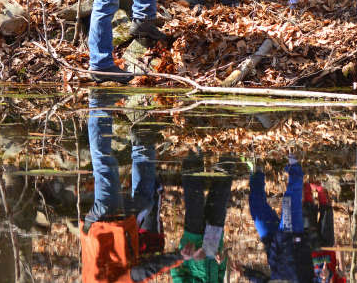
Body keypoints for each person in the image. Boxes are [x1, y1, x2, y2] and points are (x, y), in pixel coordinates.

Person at [81, 90, 193, 282]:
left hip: (106, 225)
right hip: (110, 227)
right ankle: (142, 139)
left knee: (105, 167)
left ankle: (98, 105)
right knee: (145, 201)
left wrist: (179, 257)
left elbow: (140, 273)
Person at [171, 151, 236, 283]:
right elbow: (220, 272)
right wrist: (221, 260)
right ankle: (227, 156)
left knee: (195, 198)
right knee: (220, 199)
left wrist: (190, 256)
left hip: (192, 241)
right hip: (213, 243)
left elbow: (176, 271)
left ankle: (193, 152)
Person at [247, 155, 314, 282]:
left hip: (273, 244)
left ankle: (257, 169)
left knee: (256, 208)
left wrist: (247, 273)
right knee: (289, 200)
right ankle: (294, 163)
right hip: (291, 238)